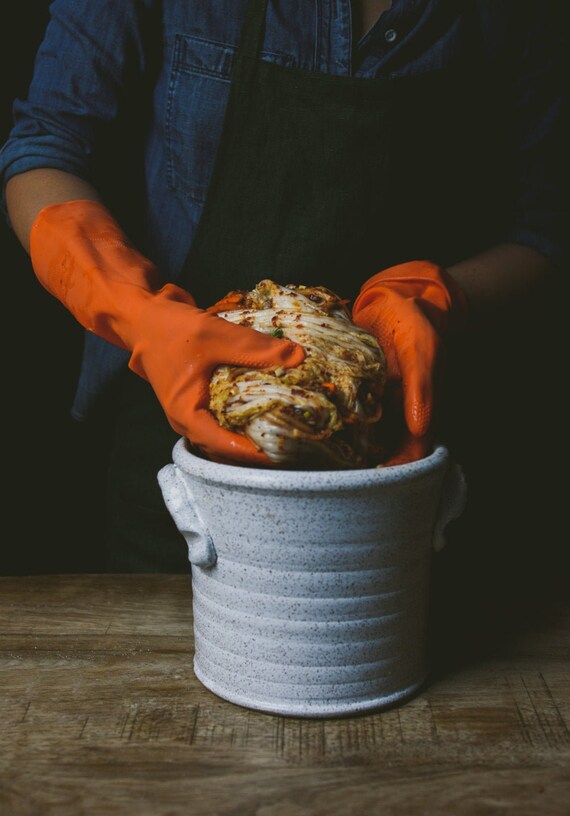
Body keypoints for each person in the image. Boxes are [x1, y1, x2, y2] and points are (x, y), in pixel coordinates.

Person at [0, 0, 565, 574]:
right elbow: (44, 148)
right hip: (179, 451)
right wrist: (128, 306)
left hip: (401, 459)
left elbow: (546, 227)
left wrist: (442, 297)